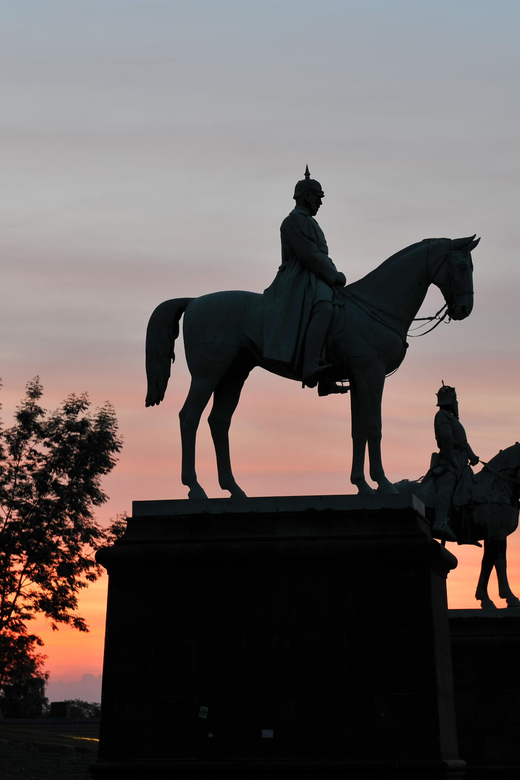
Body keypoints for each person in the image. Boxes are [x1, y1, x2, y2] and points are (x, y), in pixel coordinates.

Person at [262, 166, 347, 390]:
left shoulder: (310, 221)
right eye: (318, 198)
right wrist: (334, 275)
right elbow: (309, 255)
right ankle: (310, 366)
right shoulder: (292, 221)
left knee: (338, 307)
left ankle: (326, 372)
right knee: (325, 309)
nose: (320, 202)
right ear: (307, 196)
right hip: (299, 277)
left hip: (314, 276)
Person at [427, 383, 479, 541]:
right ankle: (440, 521)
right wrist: (447, 461)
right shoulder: (441, 416)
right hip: (449, 460)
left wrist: (473, 456)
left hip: (461, 461)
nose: (457, 403)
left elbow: (463, 442)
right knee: (447, 483)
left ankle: (467, 527)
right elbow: (447, 439)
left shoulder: (452, 419)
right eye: (455, 400)